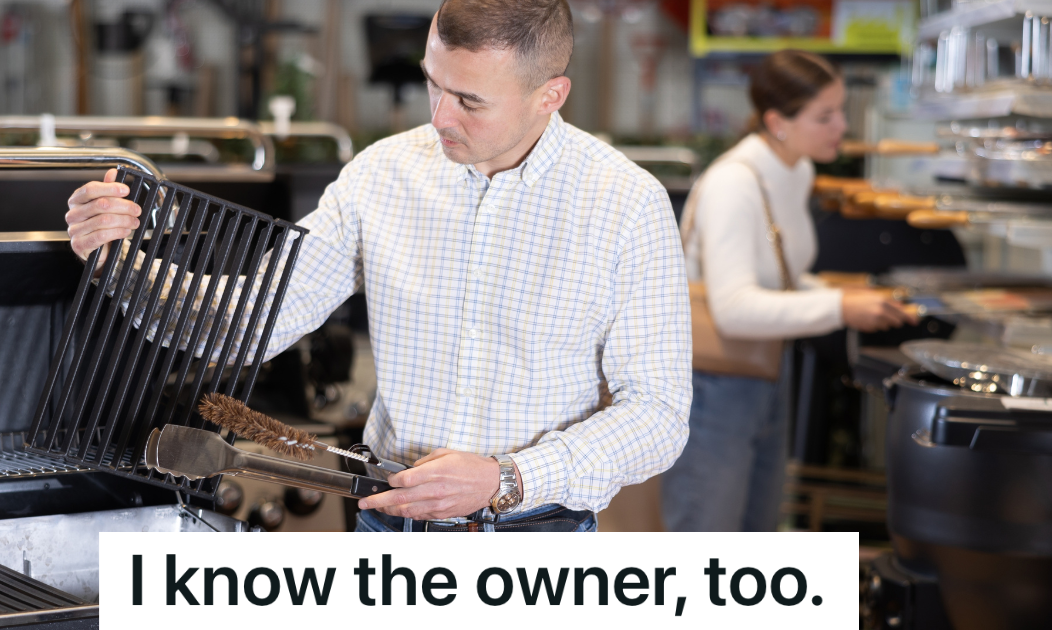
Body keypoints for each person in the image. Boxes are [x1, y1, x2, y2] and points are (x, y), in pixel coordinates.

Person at [64, 0, 691, 533]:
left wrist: (509, 477)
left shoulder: (626, 203)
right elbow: (241, 327)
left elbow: (659, 416)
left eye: (470, 100)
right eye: (433, 83)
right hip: (386, 527)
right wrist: (119, 259)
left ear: (549, 96)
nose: (440, 116)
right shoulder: (381, 175)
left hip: (537, 536)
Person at [659, 50, 915, 533]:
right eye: (826, 116)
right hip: (713, 383)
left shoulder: (794, 172)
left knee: (756, 532)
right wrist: (840, 306)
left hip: (766, 368)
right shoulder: (733, 183)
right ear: (778, 121)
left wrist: (851, 294)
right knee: (706, 539)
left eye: (840, 110)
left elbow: (779, 276)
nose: (842, 126)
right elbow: (733, 308)